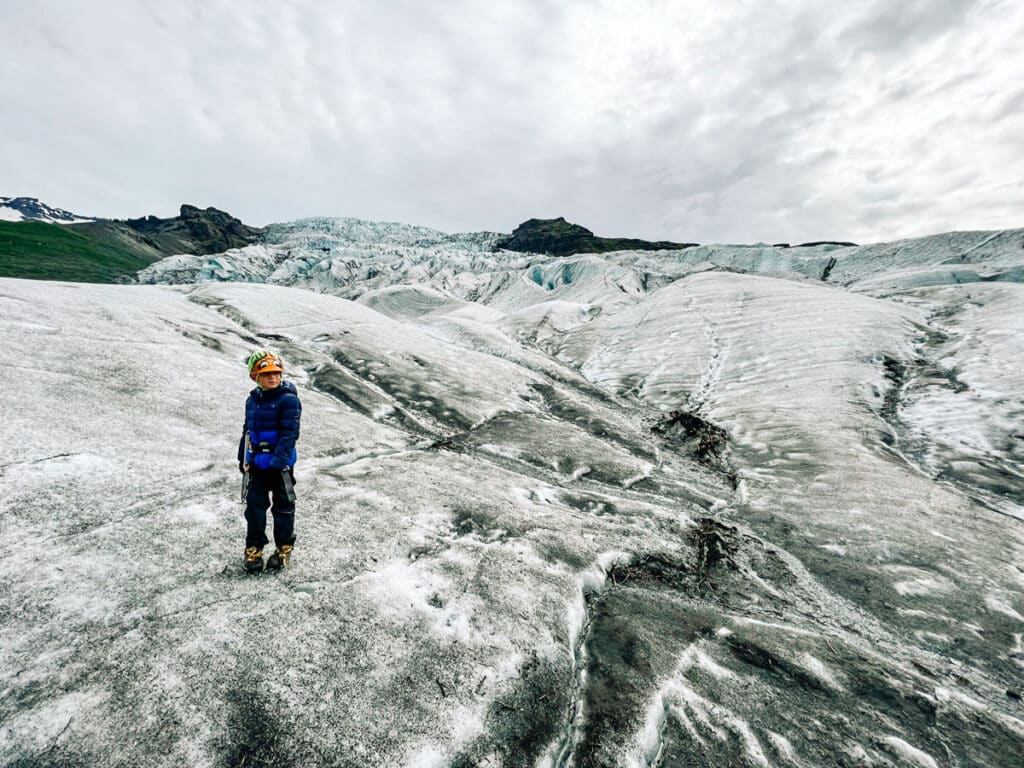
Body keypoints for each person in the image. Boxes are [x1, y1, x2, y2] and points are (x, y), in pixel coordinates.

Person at [238, 350, 302, 572]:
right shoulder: (252, 401)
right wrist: (243, 458)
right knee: (255, 508)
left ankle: (283, 549)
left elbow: (290, 434)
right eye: (266, 374)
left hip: (280, 465)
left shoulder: (288, 400)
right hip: (257, 463)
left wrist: (278, 462)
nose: (273, 377)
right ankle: (254, 550)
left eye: (276, 373)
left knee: (283, 507)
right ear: (255, 375)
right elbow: (248, 431)